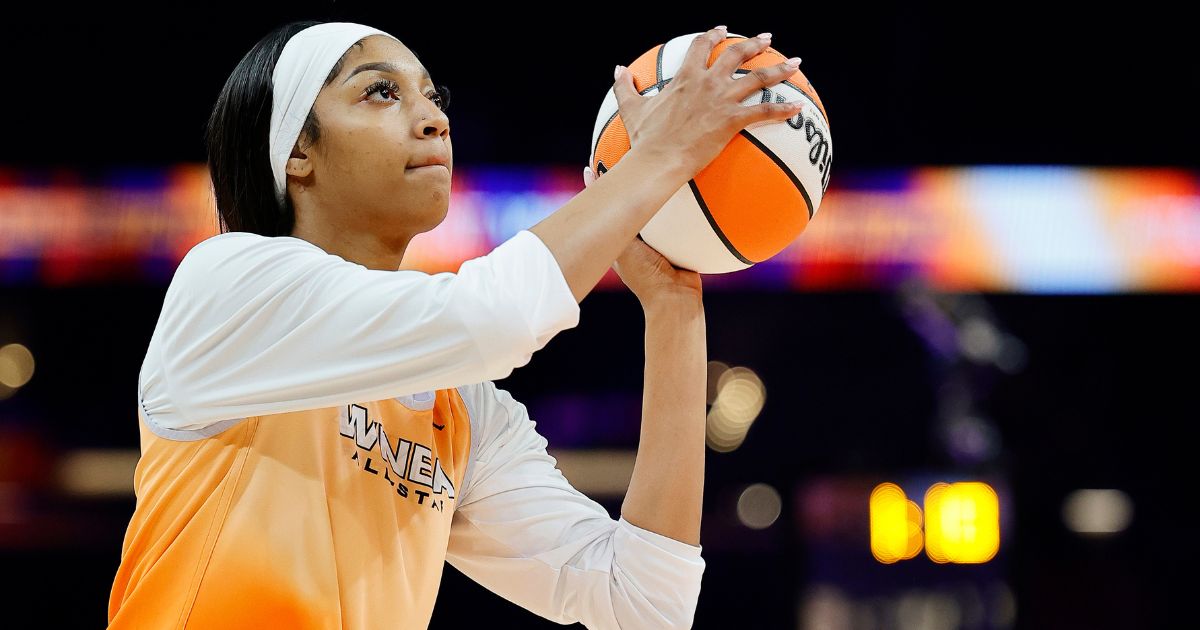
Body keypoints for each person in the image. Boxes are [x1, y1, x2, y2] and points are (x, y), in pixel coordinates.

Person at [106, 20, 802, 630]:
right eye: (381, 92)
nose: (434, 118)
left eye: (434, 98)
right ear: (295, 151)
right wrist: (659, 158)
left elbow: (641, 603)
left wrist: (674, 306)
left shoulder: (459, 409)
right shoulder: (227, 286)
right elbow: (493, 314)